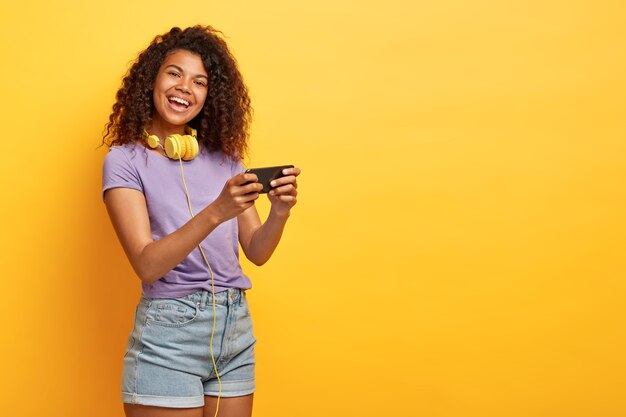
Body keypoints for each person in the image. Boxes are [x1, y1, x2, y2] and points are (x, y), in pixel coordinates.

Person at [101, 25, 300, 417]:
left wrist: (280, 211)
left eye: (200, 81)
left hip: (236, 328)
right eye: (174, 73)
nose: (185, 88)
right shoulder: (123, 161)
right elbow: (146, 263)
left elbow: (256, 252)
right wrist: (215, 212)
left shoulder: (225, 160)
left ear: (210, 96)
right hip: (169, 333)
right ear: (153, 79)